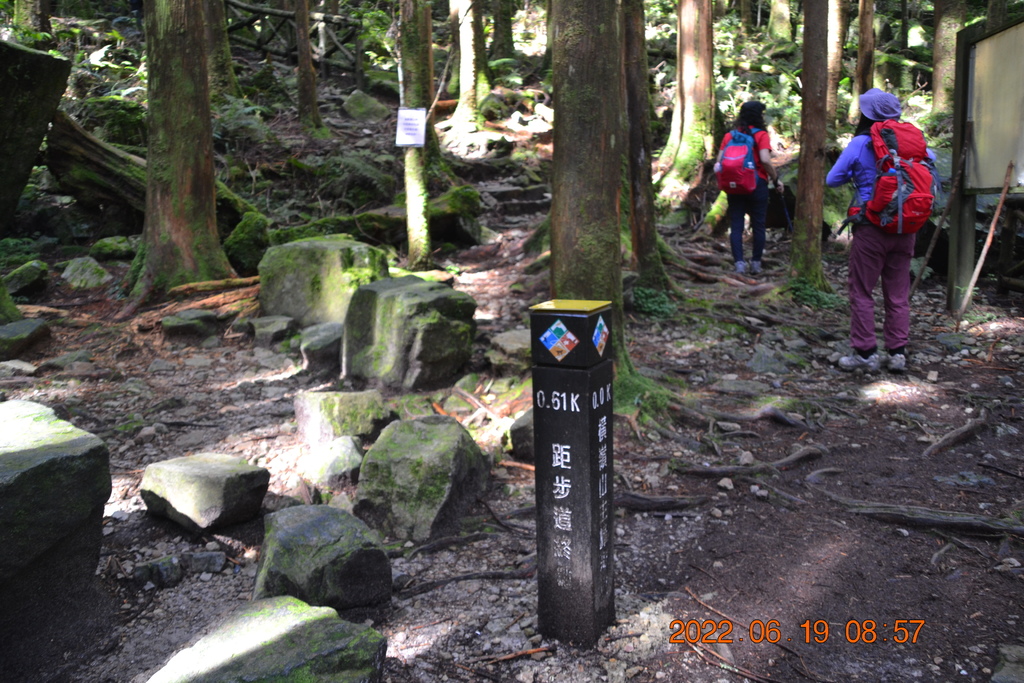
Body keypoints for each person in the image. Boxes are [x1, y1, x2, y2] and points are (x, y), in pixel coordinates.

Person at [826, 88, 930, 373]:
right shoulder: (914, 141)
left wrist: (859, 176)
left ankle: (865, 353)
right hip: (906, 226)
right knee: (897, 293)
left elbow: (832, 179)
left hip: (871, 225)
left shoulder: (861, 142)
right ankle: (897, 353)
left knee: (861, 290)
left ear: (866, 114)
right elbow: (929, 170)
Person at [714, 100, 784, 275]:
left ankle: (739, 263)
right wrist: (776, 181)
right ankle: (755, 263)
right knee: (758, 224)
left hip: (734, 185)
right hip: (756, 184)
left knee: (736, 224)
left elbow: (719, 161)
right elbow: (766, 160)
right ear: (759, 116)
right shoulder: (760, 135)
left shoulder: (730, 136)